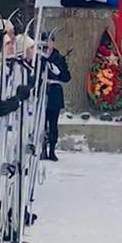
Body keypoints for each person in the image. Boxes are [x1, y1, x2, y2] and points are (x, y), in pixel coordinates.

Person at [39, 32, 70, 161]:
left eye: (49, 41)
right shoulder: (39, 57)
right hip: (42, 90)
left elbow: (66, 77)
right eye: (45, 41)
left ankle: (52, 150)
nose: (47, 44)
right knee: (41, 123)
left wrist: (57, 71)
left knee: (53, 123)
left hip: (54, 92)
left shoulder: (58, 57)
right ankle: (42, 149)